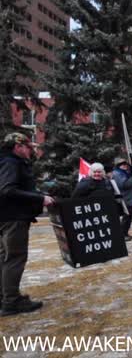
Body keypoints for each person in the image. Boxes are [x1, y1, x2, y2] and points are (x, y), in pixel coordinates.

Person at [0, 133, 54, 316]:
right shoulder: (11, 163)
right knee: (14, 257)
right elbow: (8, 189)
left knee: (6, 257)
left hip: (7, 217)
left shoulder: (6, 161)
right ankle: (11, 301)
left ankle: (6, 295)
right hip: (13, 218)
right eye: (28, 147)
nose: (31, 151)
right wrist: (40, 198)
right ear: (17, 147)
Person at [112, 157, 132, 241]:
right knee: (126, 218)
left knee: (129, 218)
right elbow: (124, 185)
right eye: (122, 165)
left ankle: (125, 233)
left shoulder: (124, 173)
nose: (125, 166)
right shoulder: (117, 174)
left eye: (125, 164)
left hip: (129, 199)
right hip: (126, 199)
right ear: (118, 166)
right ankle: (122, 234)